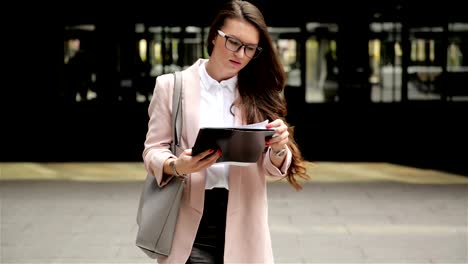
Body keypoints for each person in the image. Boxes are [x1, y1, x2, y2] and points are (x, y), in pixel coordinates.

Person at [142, 0, 309, 263]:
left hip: (244, 222)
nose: (240, 54)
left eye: (250, 48)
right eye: (233, 42)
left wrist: (278, 147)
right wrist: (177, 166)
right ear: (213, 37)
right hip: (187, 221)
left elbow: (270, 166)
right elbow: (153, 150)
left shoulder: (261, 90)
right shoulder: (172, 87)